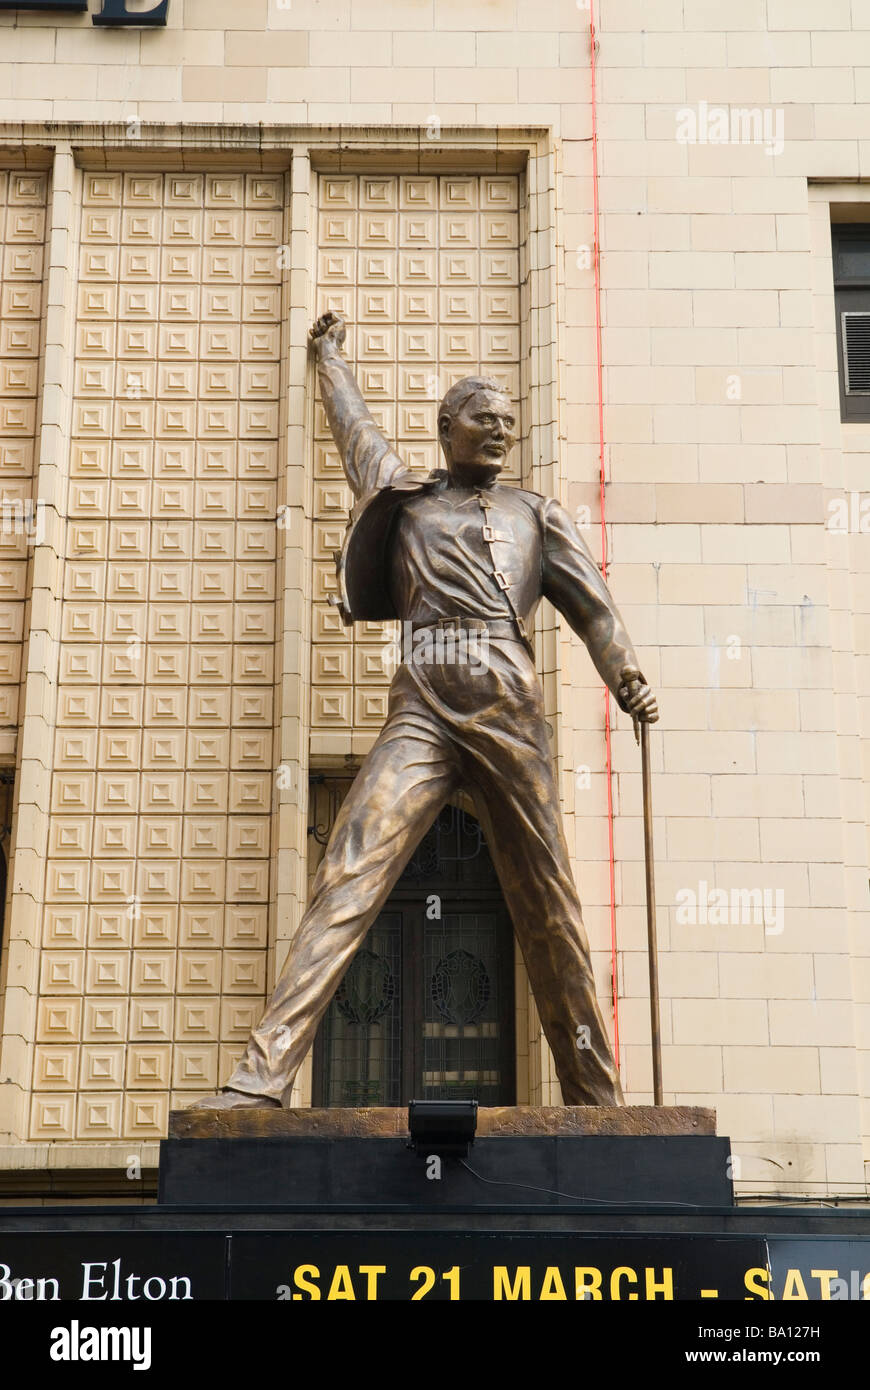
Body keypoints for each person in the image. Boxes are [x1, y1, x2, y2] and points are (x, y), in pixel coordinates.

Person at [189, 311, 658, 1112]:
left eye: (510, 422)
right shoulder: (403, 497)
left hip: (510, 707)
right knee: (350, 866)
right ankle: (259, 1081)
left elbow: (596, 608)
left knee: (549, 902)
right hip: (422, 709)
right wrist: (329, 358)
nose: (502, 432)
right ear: (448, 429)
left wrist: (626, 675)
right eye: (485, 419)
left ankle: (598, 1100)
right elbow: (354, 428)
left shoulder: (536, 514)